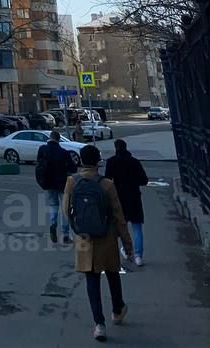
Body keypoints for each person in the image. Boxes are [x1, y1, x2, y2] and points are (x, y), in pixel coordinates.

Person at [64, 144, 133, 341]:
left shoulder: (72, 181)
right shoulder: (107, 184)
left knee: (91, 279)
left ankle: (99, 325)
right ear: (98, 162)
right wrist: (127, 244)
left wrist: (78, 227)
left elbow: (66, 210)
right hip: (106, 236)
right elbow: (119, 216)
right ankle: (118, 309)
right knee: (112, 273)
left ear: (81, 160)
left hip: (84, 237)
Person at [105, 139, 149, 267]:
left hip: (118, 198)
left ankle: (125, 250)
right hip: (134, 197)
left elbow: (107, 180)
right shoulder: (134, 162)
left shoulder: (111, 162)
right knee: (137, 227)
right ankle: (138, 256)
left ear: (115, 148)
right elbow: (144, 180)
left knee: (120, 227)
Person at [36, 129, 78, 244]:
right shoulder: (64, 152)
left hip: (48, 183)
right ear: (59, 140)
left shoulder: (42, 149)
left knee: (53, 205)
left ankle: (52, 224)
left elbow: (39, 164)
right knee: (65, 209)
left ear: (49, 138)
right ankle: (65, 235)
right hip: (62, 184)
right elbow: (73, 168)